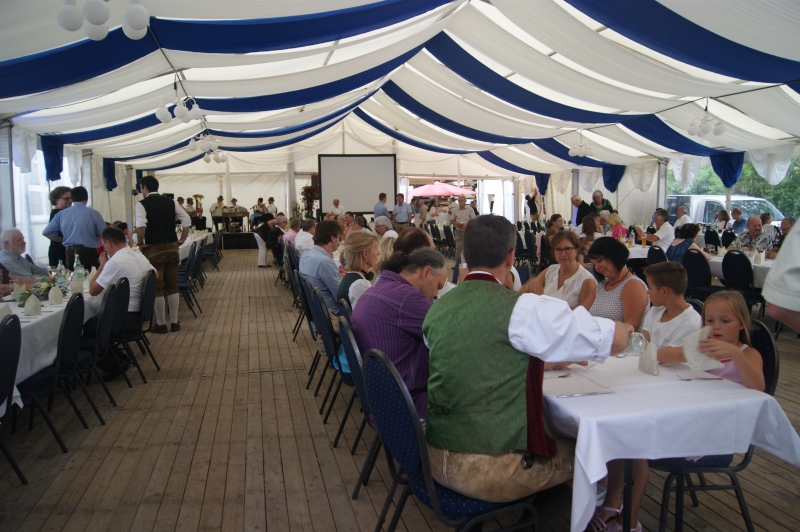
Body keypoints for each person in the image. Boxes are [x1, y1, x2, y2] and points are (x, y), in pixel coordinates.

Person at [422, 215, 632, 503]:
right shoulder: (521, 309)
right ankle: (606, 508)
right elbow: (615, 341)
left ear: (464, 256)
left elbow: (478, 353)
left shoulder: (437, 307)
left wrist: (542, 360)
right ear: (511, 257)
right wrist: (625, 328)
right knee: (597, 446)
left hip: (435, 457)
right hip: (490, 469)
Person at [590, 261, 702, 532]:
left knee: (630, 440)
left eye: (649, 288)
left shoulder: (691, 321)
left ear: (664, 291)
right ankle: (612, 503)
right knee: (619, 429)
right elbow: (645, 343)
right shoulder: (656, 311)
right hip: (652, 385)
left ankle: (628, 517)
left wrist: (646, 348)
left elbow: (675, 355)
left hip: (676, 401)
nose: (647, 292)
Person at [353, 247, 447, 421]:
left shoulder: (378, 288)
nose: (436, 295)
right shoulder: (409, 298)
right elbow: (452, 335)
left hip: (381, 399)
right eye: (438, 287)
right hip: (407, 405)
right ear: (426, 272)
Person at [135, 175, 191, 333]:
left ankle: (161, 323)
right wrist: (182, 239)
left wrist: (140, 243)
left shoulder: (141, 204)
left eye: (141, 188)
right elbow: (186, 220)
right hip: (172, 246)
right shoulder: (171, 202)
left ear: (145, 188)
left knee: (158, 288)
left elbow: (141, 226)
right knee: (172, 286)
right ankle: (174, 322)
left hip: (154, 248)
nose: (141, 191)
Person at [85, 227, 156, 341]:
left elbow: (93, 291)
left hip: (124, 318)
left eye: (103, 245)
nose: (104, 249)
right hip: (140, 314)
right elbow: (155, 275)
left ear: (108, 243)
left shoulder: (115, 261)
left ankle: (101, 351)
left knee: (81, 326)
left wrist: (102, 266)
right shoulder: (138, 256)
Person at [521, 232, 596, 310]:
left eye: (567, 249)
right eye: (558, 249)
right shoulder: (551, 270)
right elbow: (521, 293)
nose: (563, 254)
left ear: (576, 250)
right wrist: (529, 285)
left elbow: (583, 315)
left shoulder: (586, 281)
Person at [588, 237, 650, 331]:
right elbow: (581, 313)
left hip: (617, 339)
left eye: (599, 261)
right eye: (593, 264)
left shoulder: (633, 285)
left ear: (614, 256)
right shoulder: (602, 286)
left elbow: (630, 328)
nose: (596, 268)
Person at [42, 186, 106, 271]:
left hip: (70, 252)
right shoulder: (93, 213)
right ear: (86, 199)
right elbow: (104, 234)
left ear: (72, 199)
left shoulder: (61, 214)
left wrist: (64, 239)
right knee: (92, 275)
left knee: (73, 276)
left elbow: (46, 232)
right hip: (88, 252)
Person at [764, 217, 800, 331]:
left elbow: (776, 308)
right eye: (782, 229)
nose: (783, 232)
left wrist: (779, 255)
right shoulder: (785, 236)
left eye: (785, 229)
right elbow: (776, 248)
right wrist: (771, 251)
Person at [298, 220, 342, 315]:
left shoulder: (305, 255)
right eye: (339, 237)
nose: (339, 240)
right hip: (331, 313)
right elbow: (340, 295)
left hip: (316, 311)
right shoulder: (324, 262)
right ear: (332, 239)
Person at [336, 231, 379, 309]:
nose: (378, 253)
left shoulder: (350, 276)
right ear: (365, 254)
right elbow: (367, 315)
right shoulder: (359, 285)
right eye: (375, 249)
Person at [47, 186, 72, 267]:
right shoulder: (58, 213)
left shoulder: (64, 212)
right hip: (59, 252)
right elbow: (48, 233)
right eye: (66, 199)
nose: (70, 200)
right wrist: (66, 240)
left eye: (71, 198)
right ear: (56, 200)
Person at [451, 194, 476, 261]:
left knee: (467, 246)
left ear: (465, 201)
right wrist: (456, 223)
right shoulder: (456, 210)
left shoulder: (470, 209)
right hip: (458, 231)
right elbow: (452, 220)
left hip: (467, 231)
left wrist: (467, 225)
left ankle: (467, 262)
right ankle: (457, 263)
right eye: (459, 200)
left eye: (461, 200)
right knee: (458, 247)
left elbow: (473, 220)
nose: (460, 202)